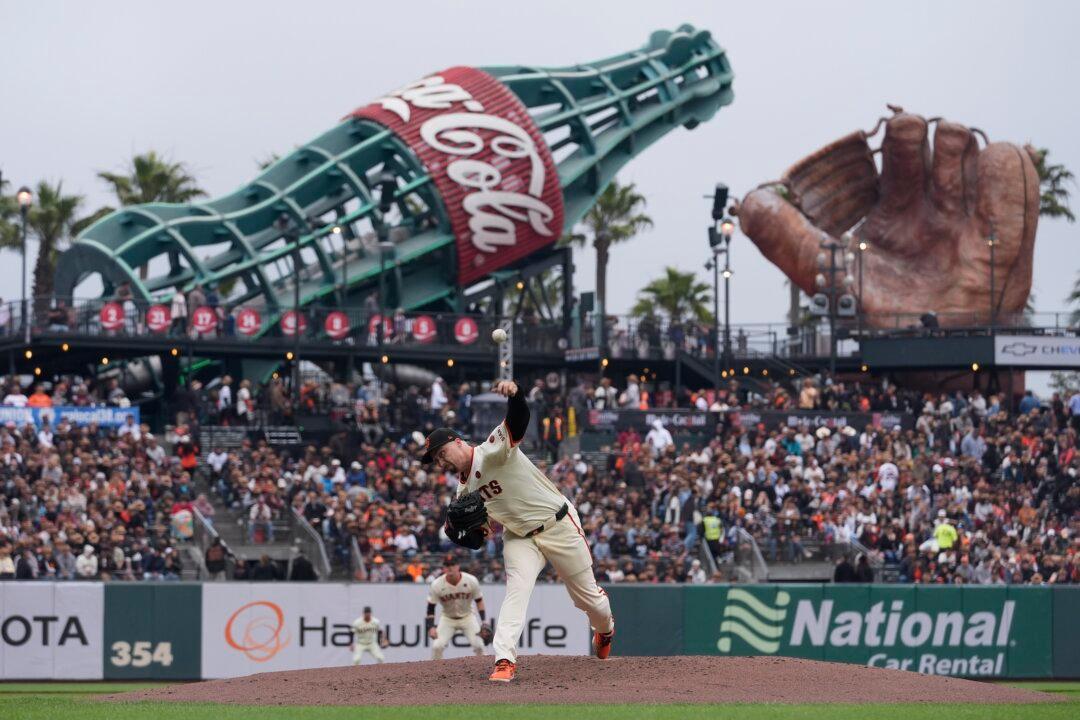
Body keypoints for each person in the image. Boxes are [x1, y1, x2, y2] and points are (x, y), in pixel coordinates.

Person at [422, 378, 614, 683]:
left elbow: (518, 420)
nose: (440, 462)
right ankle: (504, 660)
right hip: (520, 538)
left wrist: (516, 395)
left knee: (589, 601)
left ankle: (605, 630)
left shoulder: (491, 450)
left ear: (458, 441)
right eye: (436, 460)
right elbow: (477, 539)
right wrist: (457, 534)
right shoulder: (463, 492)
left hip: (558, 523)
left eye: (442, 453)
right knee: (516, 592)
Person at [426, 556, 488, 660]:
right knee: (437, 646)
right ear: (443, 568)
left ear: (458, 566)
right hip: (447, 619)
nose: (450, 568)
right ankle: (436, 669)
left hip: (468, 617)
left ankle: (484, 668)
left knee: (479, 646)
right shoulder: (436, 584)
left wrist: (484, 621)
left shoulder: (471, 580)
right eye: (447, 565)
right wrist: (431, 627)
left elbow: (479, 601)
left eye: (452, 565)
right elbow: (431, 607)